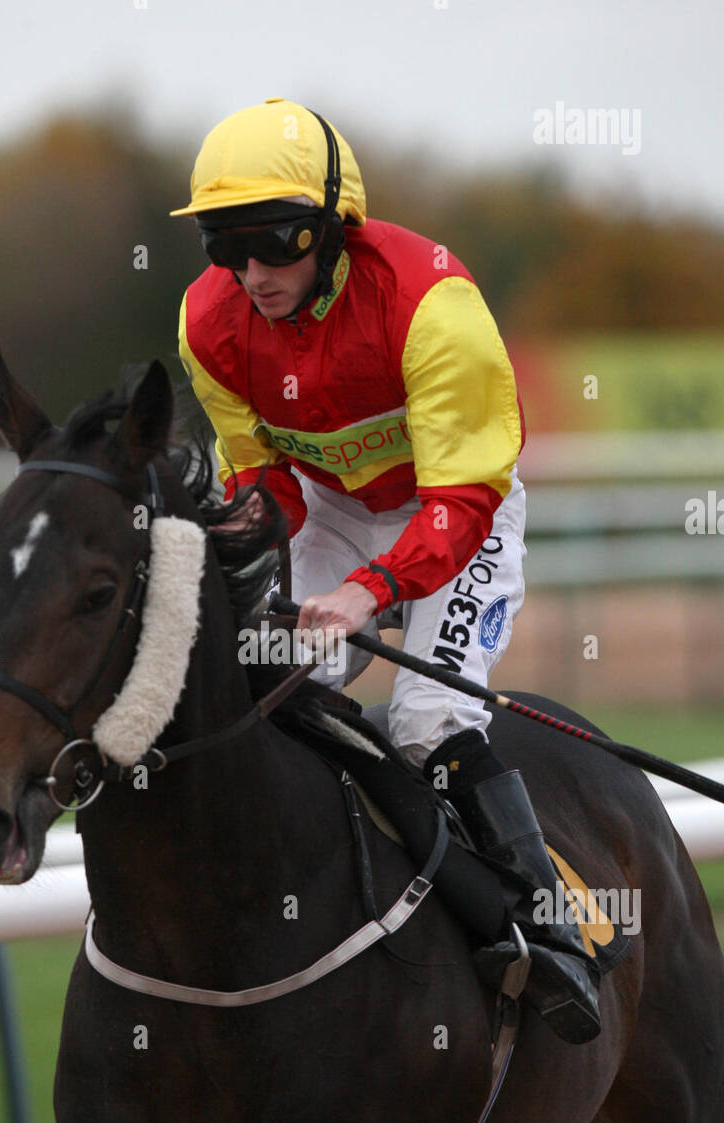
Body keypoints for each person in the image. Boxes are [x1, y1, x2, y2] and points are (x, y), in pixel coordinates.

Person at [171, 98, 600, 1043]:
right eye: (225, 248)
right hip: (334, 505)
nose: (252, 275)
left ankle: (548, 929)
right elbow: (271, 484)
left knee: (426, 718)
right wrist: (233, 527)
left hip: (459, 510)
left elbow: (460, 504)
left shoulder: (432, 307)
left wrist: (367, 593)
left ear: (330, 229)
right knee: (266, 679)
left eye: (273, 245)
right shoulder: (210, 323)